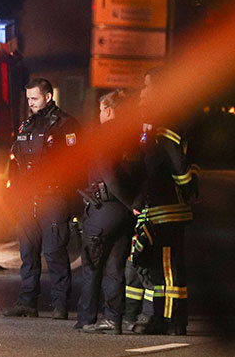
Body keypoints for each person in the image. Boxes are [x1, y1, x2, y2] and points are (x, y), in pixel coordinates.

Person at [123, 68, 199, 335]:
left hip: (167, 207)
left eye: (149, 87)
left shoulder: (167, 121)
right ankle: (160, 317)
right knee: (159, 265)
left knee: (168, 269)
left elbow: (178, 165)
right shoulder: (160, 120)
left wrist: (185, 188)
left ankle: (171, 321)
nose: (145, 92)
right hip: (159, 206)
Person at [3, 78, 80, 320]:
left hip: (53, 196)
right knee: (28, 253)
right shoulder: (26, 126)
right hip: (28, 198)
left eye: (34, 99)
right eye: (28, 99)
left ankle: (60, 304)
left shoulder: (66, 125)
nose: (31, 103)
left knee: (54, 252)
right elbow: (15, 163)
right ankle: (27, 302)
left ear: (48, 96)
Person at [75, 89, 141, 334]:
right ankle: (113, 319)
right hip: (125, 214)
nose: (99, 114)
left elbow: (109, 176)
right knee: (115, 268)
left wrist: (129, 203)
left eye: (101, 110)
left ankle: (86, 318)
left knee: (92, 267)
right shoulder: (135, 136)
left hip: (103, 210)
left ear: (109, 111)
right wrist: (135, 204)